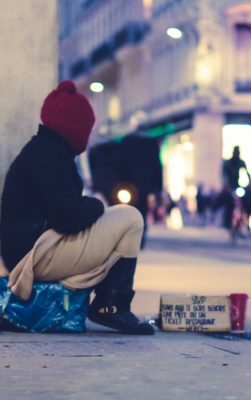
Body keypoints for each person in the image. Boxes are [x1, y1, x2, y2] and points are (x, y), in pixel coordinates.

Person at [0, 81, 154, 335]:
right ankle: (111, 306)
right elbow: (68, 218)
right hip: (33, 257)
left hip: (32, 248)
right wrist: (95, 205)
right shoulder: (50, 156)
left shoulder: (44, 150)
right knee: (131, 217)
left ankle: (110, 302)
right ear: (75, 127)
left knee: (121, 215)